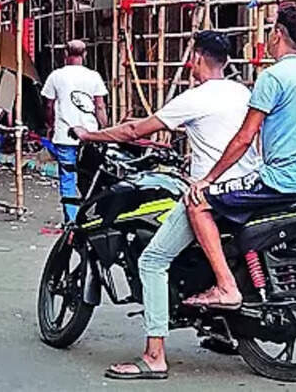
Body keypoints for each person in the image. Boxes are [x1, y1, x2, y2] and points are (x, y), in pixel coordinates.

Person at [72, 30, 261, 380]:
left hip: (213, 193)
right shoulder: (242, 92)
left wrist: (90, 135)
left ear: (198, 59)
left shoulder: (195, 98)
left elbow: (132, 131)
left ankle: (154, 355)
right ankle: (221, 329)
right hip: (248, 188)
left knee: (153, 260)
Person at [181, 3, 296, 309]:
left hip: (282, 180)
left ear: (278, 34)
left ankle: (225, 286)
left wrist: (208, 179)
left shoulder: (273, 77)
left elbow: (245, 137)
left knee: (199, 204)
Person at [40, 40, 109, 223]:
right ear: (85, 55)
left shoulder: (56, 76)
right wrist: (105, 130)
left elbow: (49, 105)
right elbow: (100, 106)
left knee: (68, 176)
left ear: (65, 54)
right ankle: (94, 215)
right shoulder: (93, 76)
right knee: (92, 175)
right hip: (90, 134)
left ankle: (71, 220)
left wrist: (50, 125)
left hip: (65, 134)